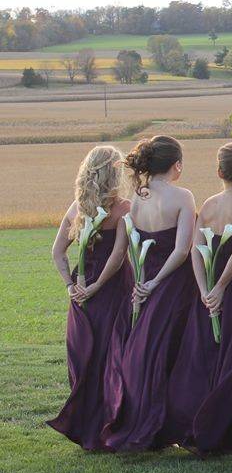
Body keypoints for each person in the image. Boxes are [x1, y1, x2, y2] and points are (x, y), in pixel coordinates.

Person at [164, 141, 232, 454]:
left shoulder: (208, 204)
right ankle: (224, 428)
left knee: (204, 355)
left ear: (219, 171)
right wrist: (220, 287)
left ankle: (201, 425)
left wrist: (205, 290)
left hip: (206, 289)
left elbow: (196, 250)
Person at [101, 136, 197, 452]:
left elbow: (133, 245)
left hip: (143, 281)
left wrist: (142, 281)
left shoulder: (137, 198)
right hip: (174, 283)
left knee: (149, 349)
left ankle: (151, 421)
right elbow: (182, 250)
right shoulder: (183, 196)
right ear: (177, 165)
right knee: (177, 353)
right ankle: (166, 423)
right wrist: (156, 283)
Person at [48, 145, 133, 450]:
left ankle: (89, 428)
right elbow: (119, 254)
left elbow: (58, 252)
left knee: (86, 357)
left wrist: (71, 286)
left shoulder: (77, 207)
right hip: (110, 292)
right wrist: (96, 286)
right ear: (115, 172)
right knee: (113, 358)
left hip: (82, 297)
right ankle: (112, 425)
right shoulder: (123, 209)